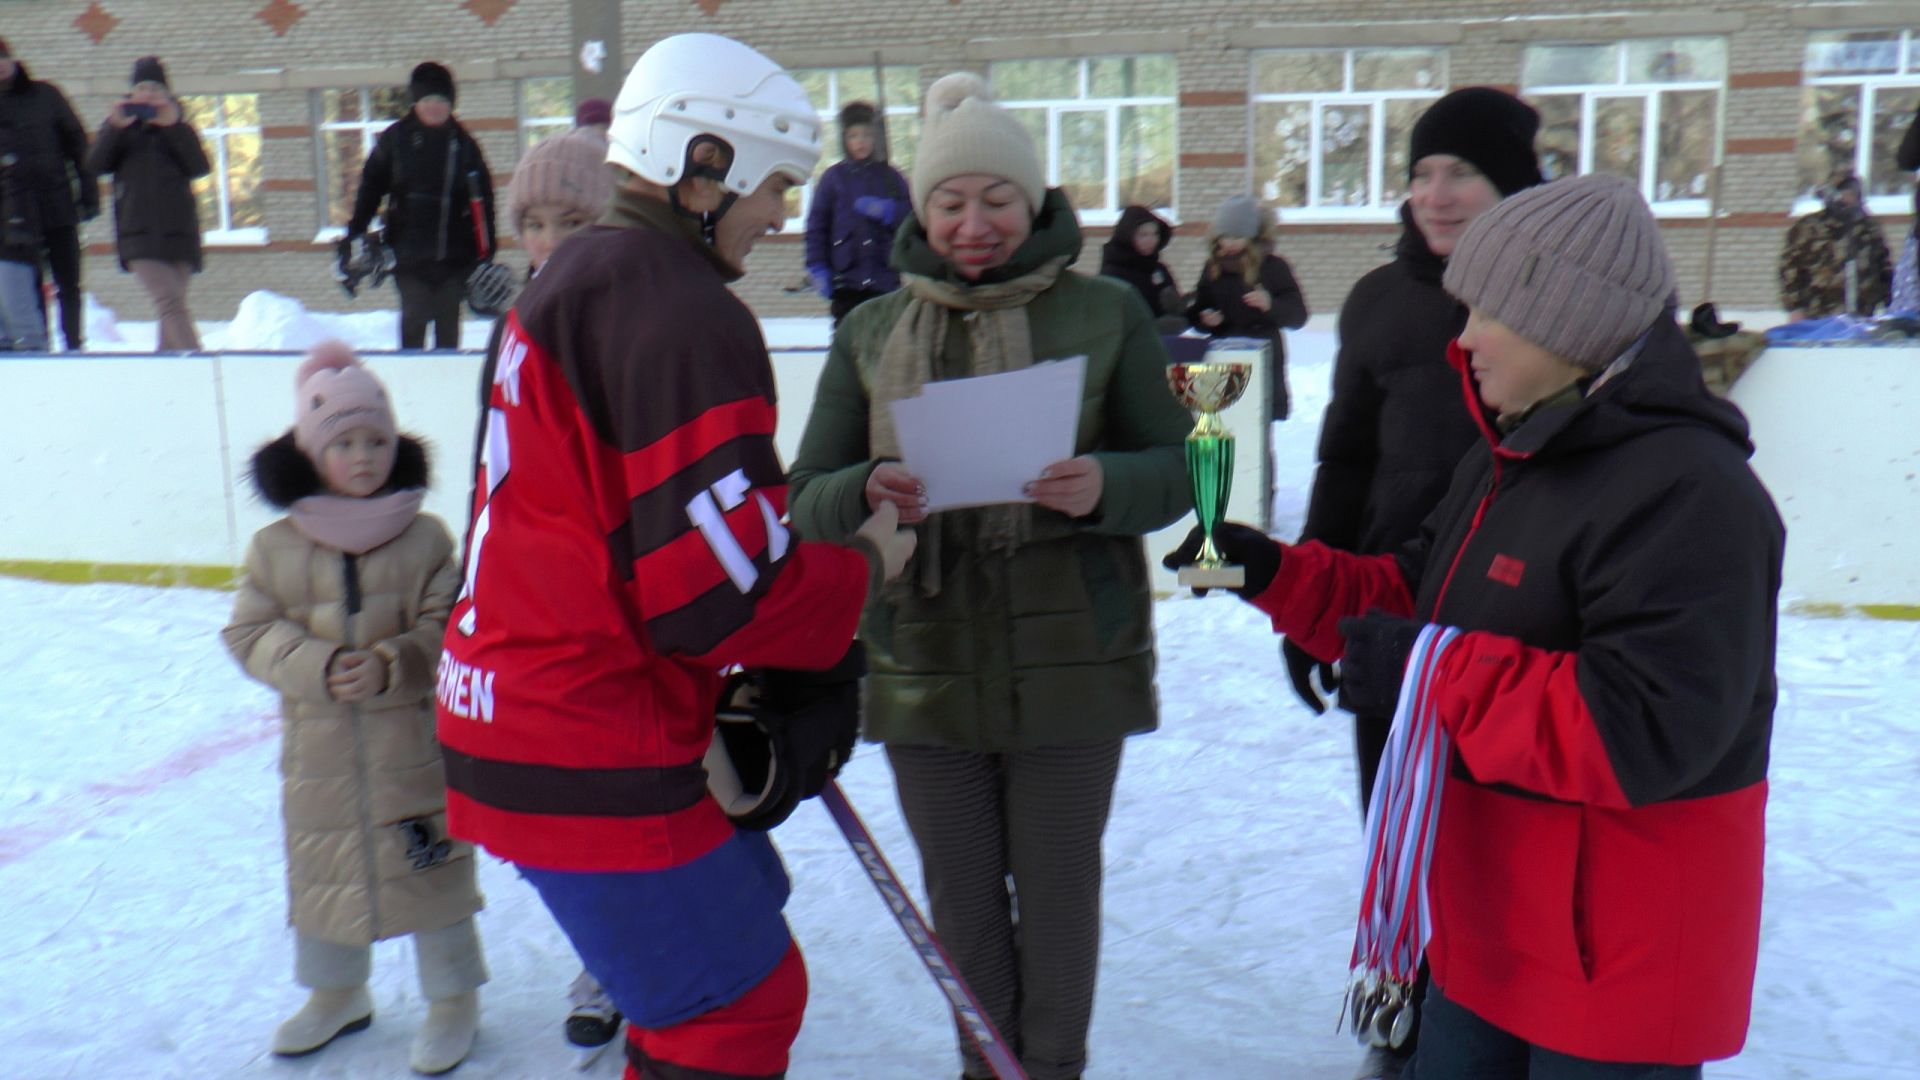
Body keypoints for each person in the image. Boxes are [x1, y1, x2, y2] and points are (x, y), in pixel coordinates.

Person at [1168, 174, 1782, 1079]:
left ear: (1565, 321)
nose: (1463, 339)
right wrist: (1273, 573)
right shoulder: (1511, 457)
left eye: (1487, 311)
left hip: (1610, 968)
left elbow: (1643, 731)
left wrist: (1421, 669)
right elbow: (1411, 597)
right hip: (1479, 926)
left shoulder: (1691, 493)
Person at [435, 33, 914, 1080]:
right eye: (774, 186)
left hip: (516, 712)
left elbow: (622, 528)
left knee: (743, 916)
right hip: (583, 734)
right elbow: (716, 601)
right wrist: (869, 564)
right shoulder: (677, 309)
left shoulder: (571, 286)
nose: (783, 215)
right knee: (736, 1009)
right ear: (706, 167)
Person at [788, 72, 1194, 1080]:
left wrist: (1103, 483)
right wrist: (866, 487)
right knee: (963, 911)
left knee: (1058, 906)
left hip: (1073, 666)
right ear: (922, 211)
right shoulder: (872, 333)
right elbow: (803, 497)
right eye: (951, 202)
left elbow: (1182, 469)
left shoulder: (1106, 313)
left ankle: (1049, 1070)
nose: (975, 224)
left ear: (1037, 201)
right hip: (920, 668)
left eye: (998, 200)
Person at [1296, 85, 1545, 1080]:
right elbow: (1345, 458)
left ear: (1513, 186)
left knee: (1502, 849)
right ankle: (1400, 1026)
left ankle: (1507, 1032)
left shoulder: (1549, 294)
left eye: (1463, 174)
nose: (1436, 196)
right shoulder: (1376, 302)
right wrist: (1315, 602)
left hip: (1514, 613)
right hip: (1394, 612)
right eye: (1422, 174)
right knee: (1397, 836)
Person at [223, 342, 489, 1076]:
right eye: (344, 443)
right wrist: (313, 664)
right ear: (313, 455)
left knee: (432, 872)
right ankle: (337, 993)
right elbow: (248, 631)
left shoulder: (426, 538)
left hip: (413, 750)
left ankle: (452, 999)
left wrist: (391, 661)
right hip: (320, 760)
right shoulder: (276, 547)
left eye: (376, 440)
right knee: (324, 874)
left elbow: (453, 622)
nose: (364, 456)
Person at [466, 125, 626, 1060]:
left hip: (620, 609)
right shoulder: (514, 327)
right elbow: (490, 470)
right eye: (533, 222)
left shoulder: (638, 326)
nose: (550, 240)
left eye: (573, 219)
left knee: (633, 803)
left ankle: (632, 966)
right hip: (536, 610)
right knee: (565, 816)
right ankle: (601, 962)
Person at [345, 62, 496, 350]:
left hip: (454, 258)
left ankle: (443, 386)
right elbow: (371, 188)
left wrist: (486, 253)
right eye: (428, 100)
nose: (434, 107)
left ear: (451, 104)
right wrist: (355, 231)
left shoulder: (464, 146)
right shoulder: (396, 140)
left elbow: (484, 202)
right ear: (416, 102)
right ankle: (411, 382)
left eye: (441, 100)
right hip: (408, 257)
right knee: (415, 315)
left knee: (448, 324)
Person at [85, 57, 210, 352]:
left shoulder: (180, 128)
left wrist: (173, 127)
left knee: (172, 307)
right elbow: (94, 165)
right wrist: (115, 128)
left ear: (167, 93)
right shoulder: (120, 130)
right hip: (138, 234)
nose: (149, 94)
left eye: (156, 87)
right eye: (142, 87)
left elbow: (199, 167)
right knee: (168, 301)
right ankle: (198, 363)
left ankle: (168, 369)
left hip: (180, 233)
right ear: (131, 93)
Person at [0, 36, 95, 351]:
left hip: (56, 203)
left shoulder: (45, 95)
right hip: (11, 216)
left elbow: (78, 145)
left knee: (68, 281)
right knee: (26, 284)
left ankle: (74, 343)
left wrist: (88, 192)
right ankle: (41, 349)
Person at [1187, 193, 1307, 419]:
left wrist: (1270, 305)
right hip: (1222, 361)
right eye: (1225, 236)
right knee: (1221, 428)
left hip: (1262, 358)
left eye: (1238, 236)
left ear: (1252, 236)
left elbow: (1298, 316)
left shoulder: (1273, 267)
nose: (1230, 243)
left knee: (1258, 434)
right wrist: (1206, 318)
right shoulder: (1213, 267)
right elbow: (1198, 309)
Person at [804, 100, 909, 324]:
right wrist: (817, 265)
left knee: (884, 340)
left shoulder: (891, 177)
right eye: (853, 136)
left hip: (884, 278)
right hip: (846, 280)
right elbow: (817, 227)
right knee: (847, 339)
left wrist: (890, 211)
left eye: (866, 135)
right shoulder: (833, 179)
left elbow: (913, 218)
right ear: (844, 139)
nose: (860, 142)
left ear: (876, 138)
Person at [1779, 169, 1891, 320]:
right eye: (1844, 192)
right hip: (1818, 314)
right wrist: (1795, 307)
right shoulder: (1809, 227)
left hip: (1862, 314)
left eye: (1854, 192)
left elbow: (1884, 266)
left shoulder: (1869, 227)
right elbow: (1789, 268)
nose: (1849, 197)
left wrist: (1889, 303)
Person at [1098, 204, 1185, 334]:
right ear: (1128, 236)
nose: (1150, 240)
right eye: (1143, 235)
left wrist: (1175, 306)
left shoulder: (1158, 269)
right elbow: (1109, 320)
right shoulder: (1113, 272)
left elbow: (1176, 313)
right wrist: (1153, 328)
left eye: (1155, 234)